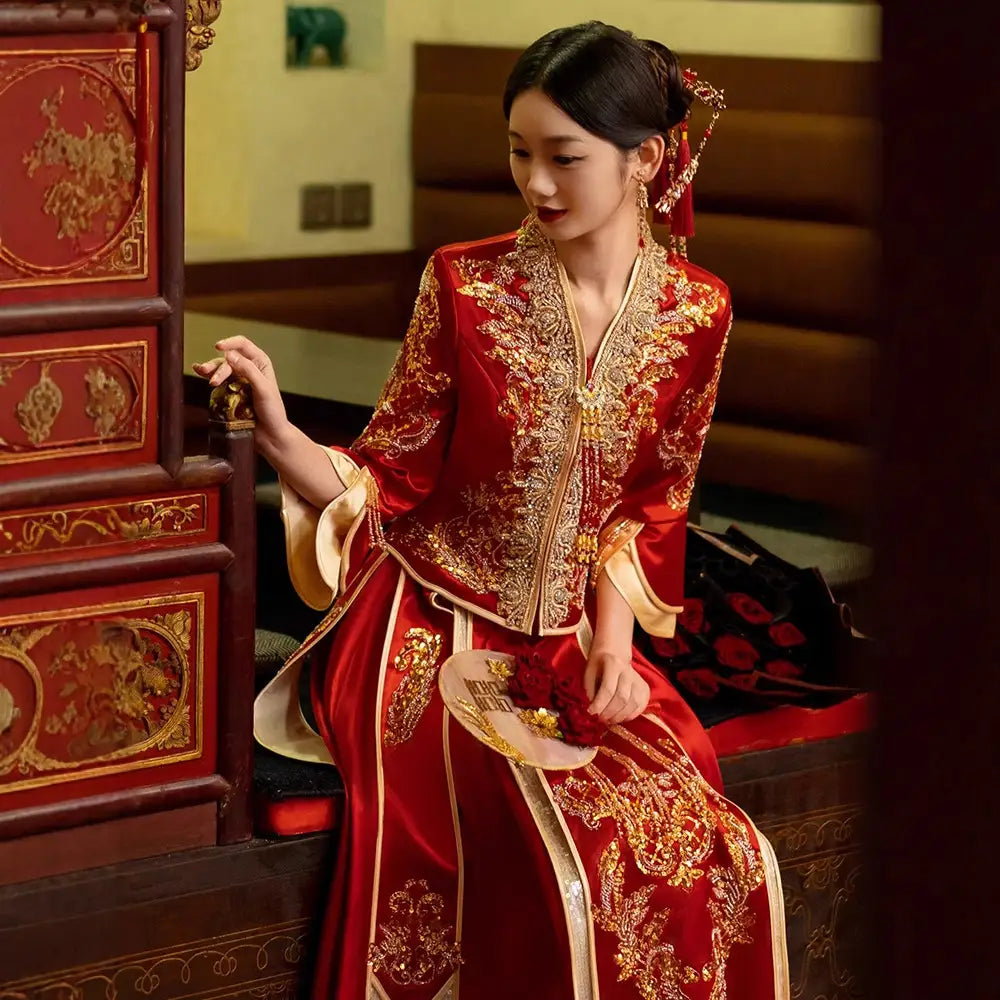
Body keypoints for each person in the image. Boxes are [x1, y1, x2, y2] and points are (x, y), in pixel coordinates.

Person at [195, 21, 789, 1000]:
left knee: (695, 835)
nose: (537, 184)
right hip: (424, 624)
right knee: (553, 841)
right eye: (519, 152)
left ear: (645, 158)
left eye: (564, 157)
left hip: (567, 636)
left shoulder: (698, 312)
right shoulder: (465, 284)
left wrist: (609, 639)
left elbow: (655, 499)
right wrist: (272, 424)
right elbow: (383, 474)